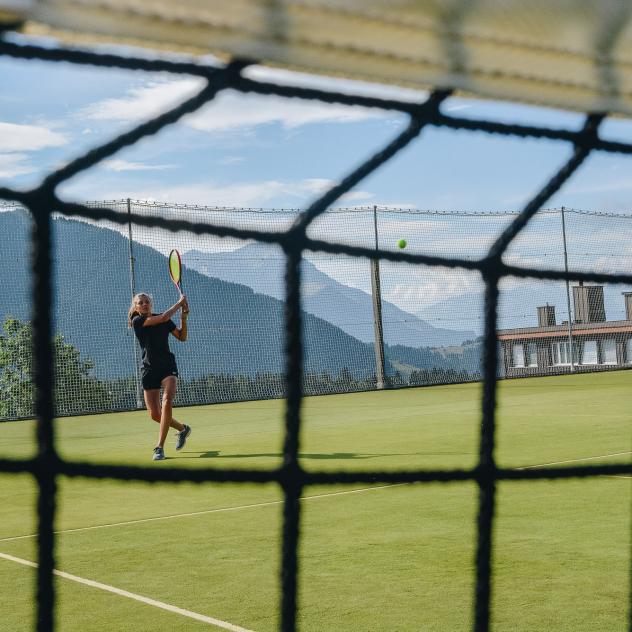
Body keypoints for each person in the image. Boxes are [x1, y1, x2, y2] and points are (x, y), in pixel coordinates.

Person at [128, 292, 191, 461]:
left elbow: (182, 337)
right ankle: (183, 429)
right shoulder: (137, 321)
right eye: (140, 303)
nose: (144, 304)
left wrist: (183, 318)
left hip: (167, 367)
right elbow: (163, 317)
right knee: (155, 415)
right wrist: (179, 303)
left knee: (167, 400)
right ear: (135, 307)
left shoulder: (164, 319)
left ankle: (159, 447)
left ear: (151, 304)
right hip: (149, 370)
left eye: (146, 301)